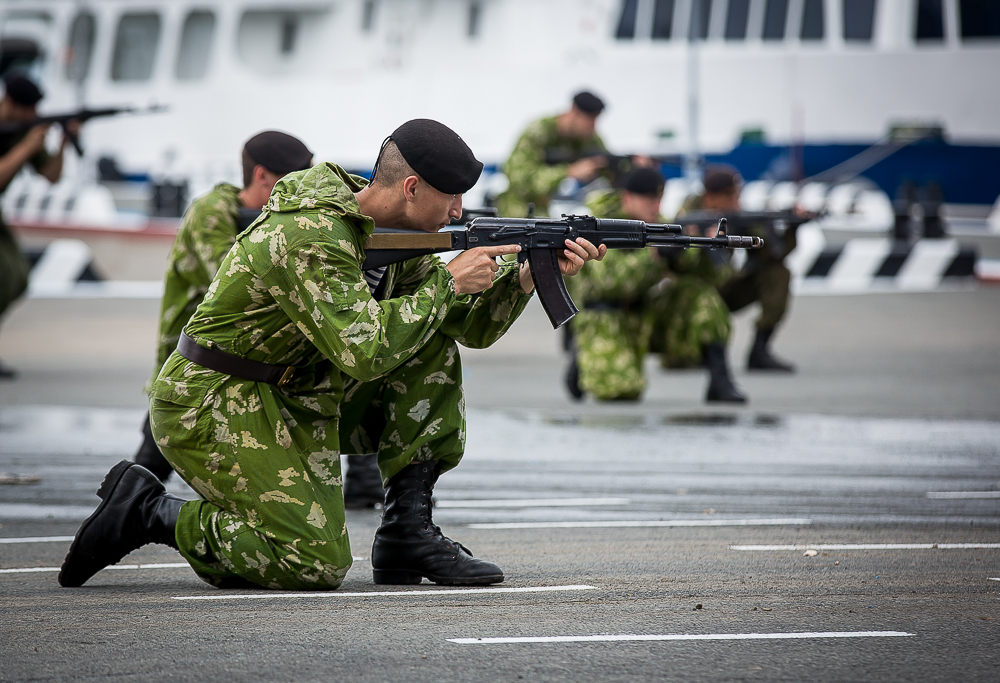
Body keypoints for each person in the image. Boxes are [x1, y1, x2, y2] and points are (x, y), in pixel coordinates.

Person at [59, 119, 604, 591]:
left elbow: (466, 326)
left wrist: (526, 276)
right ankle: (149, 511)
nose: (459, 211)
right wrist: (445, 283)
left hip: (300, 393)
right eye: (451, 198)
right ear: (411, 187)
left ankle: (407, 532)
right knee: (313, 562)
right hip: (218, 399)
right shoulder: (310, 232)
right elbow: (364, 350)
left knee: (430, 336)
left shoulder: (395, 233)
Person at [133, 131, 314, 483]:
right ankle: (129, 497)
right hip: (190, 350)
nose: (300, 191)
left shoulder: (275, 216)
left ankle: (364, 484)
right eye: (292, 180)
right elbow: (232, 279)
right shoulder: (212, 211)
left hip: (237, 350)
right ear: (262, 175)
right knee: (163, 440)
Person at [567, 167, 745, 403]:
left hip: (648, 314)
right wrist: (655, 257)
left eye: (659, 199)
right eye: (649, 199)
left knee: (700, 295)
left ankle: (720, 380)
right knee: (621, 392)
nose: (656, 206)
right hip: (606, 319)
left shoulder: (662, 225)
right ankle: (582, 358)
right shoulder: (598, 227)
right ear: (627, 197)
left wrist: (704, 247)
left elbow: (711, 278)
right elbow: (609, 283)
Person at [0, 75, 78, 379]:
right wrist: (26, 147)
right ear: (10, 103)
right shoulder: (21, 136)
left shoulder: (21, 131)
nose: (33, 115)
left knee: (15, 275)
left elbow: (51, 175)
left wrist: (63, 144)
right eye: (28, 109)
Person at [680, 167, 796, 372]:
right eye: (730, 196)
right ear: (710, 197)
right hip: (691, 297)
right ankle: (696, 348)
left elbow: (771, 254)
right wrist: (702, 242)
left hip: (724, 288)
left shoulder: (735, 217)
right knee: (683, 359)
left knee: (778, 273)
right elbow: (678, 266)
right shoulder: (688, 219)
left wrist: (792, 229)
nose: (736, 202)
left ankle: (760, 349)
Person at [496, 90, 609, 217]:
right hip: (524, 203)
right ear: (574, 113)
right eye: (589, 120)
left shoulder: (589, 138)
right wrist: (569, 171)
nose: (593, 126)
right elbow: (520, 181)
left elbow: (608, 164)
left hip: (564, 203)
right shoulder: (539, 132)